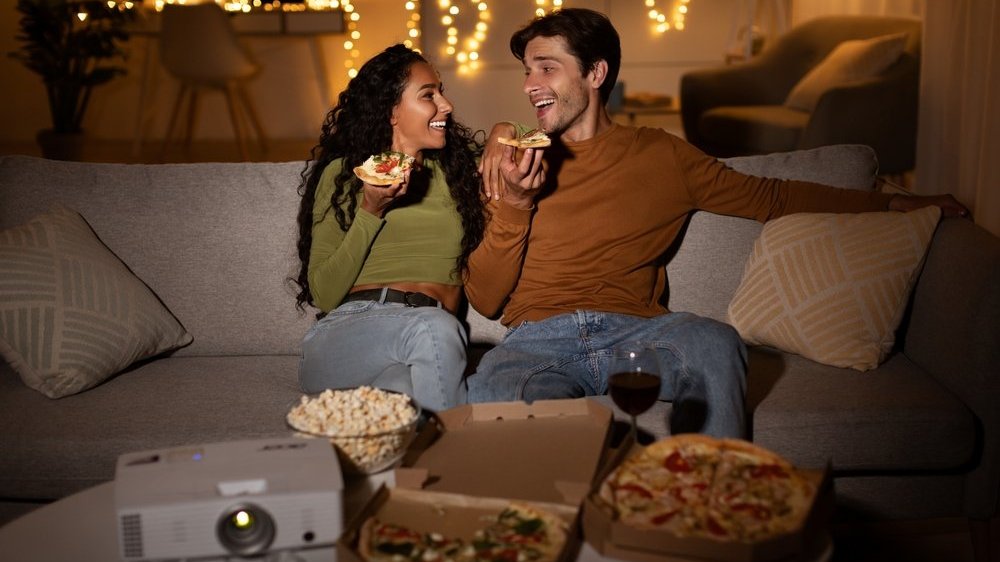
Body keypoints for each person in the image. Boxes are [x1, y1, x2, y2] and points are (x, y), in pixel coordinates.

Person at [465, 8, 968, 438]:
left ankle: (712, 503)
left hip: (640, 335)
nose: (531, 85)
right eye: (528, 72)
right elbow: (485, 299)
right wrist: (515, 203)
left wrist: (891, 205)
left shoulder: (662, 154)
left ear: (596, 74)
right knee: (493, 387)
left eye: (546, 68)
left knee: (715, 341)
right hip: (538, 340)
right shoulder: (512, 161)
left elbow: (772, 196)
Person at [292, 44, 486, 413]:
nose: (445, 105)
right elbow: (324, 294)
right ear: (391, 111)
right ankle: (465, 457)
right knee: (435, 329)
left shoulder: (460, 172)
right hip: (349, 333)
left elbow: (524, 142)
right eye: (428, 95)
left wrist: (509, 127)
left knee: (404, 403)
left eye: (441, 92)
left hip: (425, 341)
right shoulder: (344, 174)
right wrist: (370, 209)